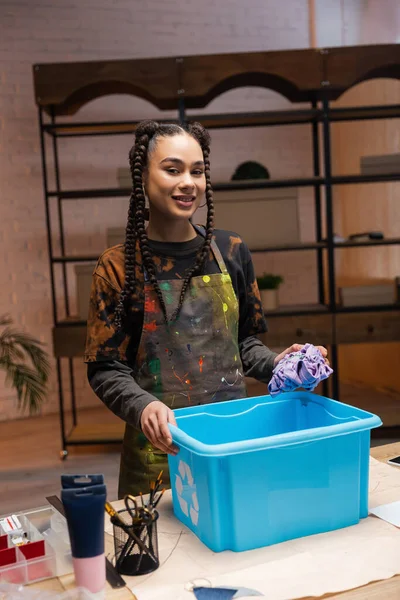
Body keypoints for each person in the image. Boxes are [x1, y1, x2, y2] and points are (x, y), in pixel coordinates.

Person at [84, 120, 328, 498]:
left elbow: (243, 344)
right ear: (143, 178)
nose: (188, 182)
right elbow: (105, 368)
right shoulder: (117, 268)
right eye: (173, 169)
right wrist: (143, 406)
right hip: (159, 456)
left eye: (197, 171)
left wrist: (280, 364)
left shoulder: (231, 251)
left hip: (233, 443)